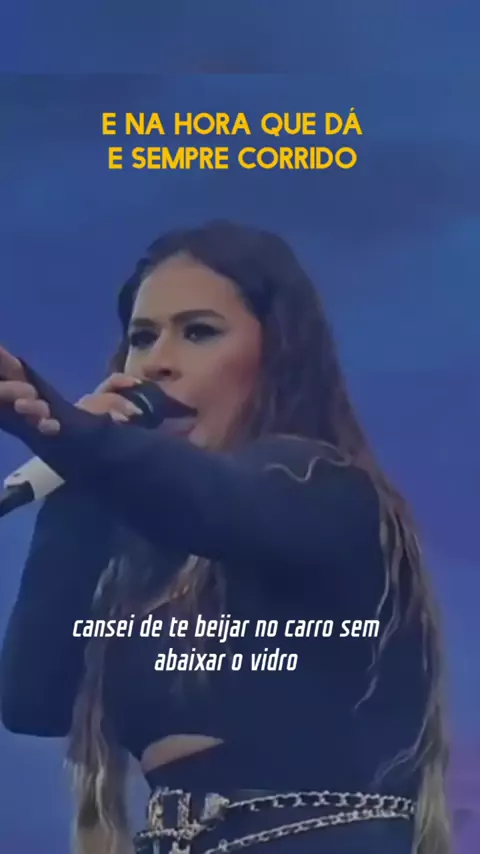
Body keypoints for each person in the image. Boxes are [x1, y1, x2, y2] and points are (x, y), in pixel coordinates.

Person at [0, 220, 450, 854]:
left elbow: (217, 503)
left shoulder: (324, 487)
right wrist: (75, 487)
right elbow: (34, 700)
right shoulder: (148, 553)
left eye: (199, 332)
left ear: (277, 354)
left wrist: (63, 428)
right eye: (142, 338)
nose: (158, 361)